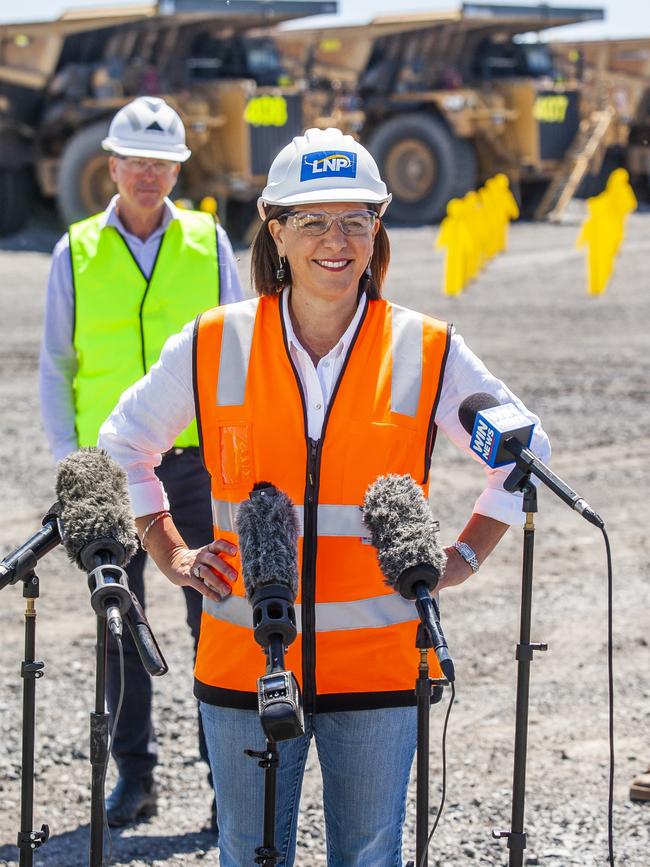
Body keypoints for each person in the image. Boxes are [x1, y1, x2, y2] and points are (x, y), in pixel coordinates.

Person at [98, 127, 551, 866]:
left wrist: (467, 551)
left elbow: (530, 450)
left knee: (368, 854)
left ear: (378, 230)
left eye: (355, 220)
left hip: (379, 665)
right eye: (311, 220)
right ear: (275, 231)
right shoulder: (214, 342)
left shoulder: (425, 345)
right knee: (249, 852)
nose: (334, 240)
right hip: (247, 662)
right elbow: (123, 446)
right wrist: (170, 552)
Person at [39, 96, 243, 829]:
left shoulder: (209, 241)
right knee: (119, 626)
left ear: (178, 169)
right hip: (108, 472)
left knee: (216, 621)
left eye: (162, 162)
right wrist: (74, 469)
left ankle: (230, 786)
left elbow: (240, 358)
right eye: (136, 160)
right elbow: (56, 366)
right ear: (113, 165)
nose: (149, 173)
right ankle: (138, 777)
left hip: (196, 466)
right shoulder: (76, 250)